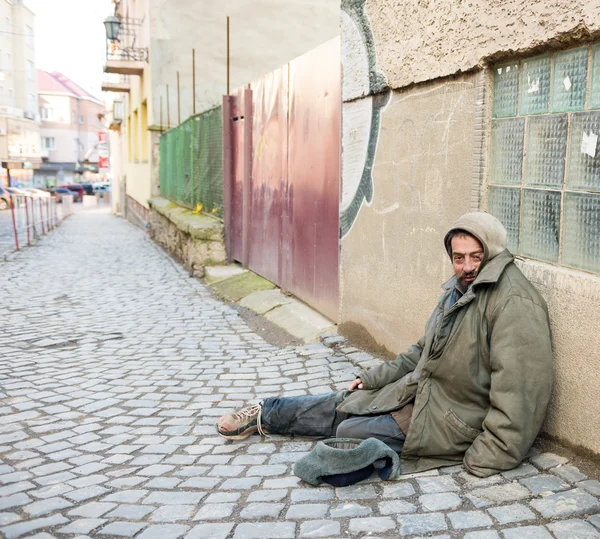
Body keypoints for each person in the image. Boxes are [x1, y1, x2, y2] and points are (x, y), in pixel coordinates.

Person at [217, 212, 553, 477]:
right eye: (458, 257)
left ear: (492, 252)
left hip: (452, 418)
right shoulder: (459, 290)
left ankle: (288, 422)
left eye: (475, 257)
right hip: (421, 393)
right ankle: (266, 413)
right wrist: (377, 378)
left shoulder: (514, 302)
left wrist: (490, 455)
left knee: (351, 427)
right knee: (351, 401)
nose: (465, 267)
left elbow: (520, 392)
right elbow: (422, 350)